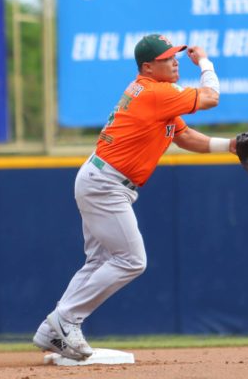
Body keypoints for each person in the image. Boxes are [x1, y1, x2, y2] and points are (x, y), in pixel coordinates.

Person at [33, 34, 236, 360]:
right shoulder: (156, 92)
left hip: (100, 177)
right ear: (147, 66)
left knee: (100, 262)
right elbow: (211, 97)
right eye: (168, 57)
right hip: (106, 183)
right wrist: (207, 63)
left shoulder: (156, 94)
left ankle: (52, 330)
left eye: (176, 56)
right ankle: (65, 320)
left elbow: (182, 136)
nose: (175, 61)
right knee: (131, 260)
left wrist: (231, 146)